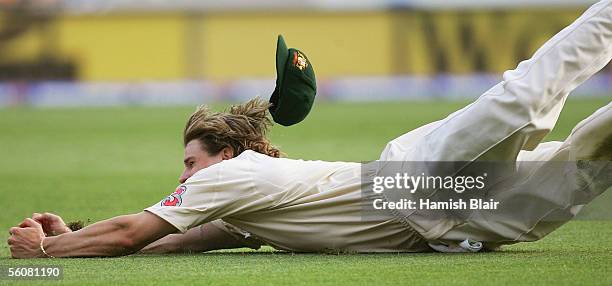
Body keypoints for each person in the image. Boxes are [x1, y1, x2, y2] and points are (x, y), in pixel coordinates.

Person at [7, 0, 612, 258]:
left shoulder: (234, 176)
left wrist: (48, 253)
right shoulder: (244, 207)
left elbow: (129, 233)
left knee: (526, 96)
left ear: (223, 154)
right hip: (467, 222)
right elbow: (165, 240)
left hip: (412, 183)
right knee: (594, 153)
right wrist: (75, 235)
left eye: (189, 162)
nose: (183, 176)